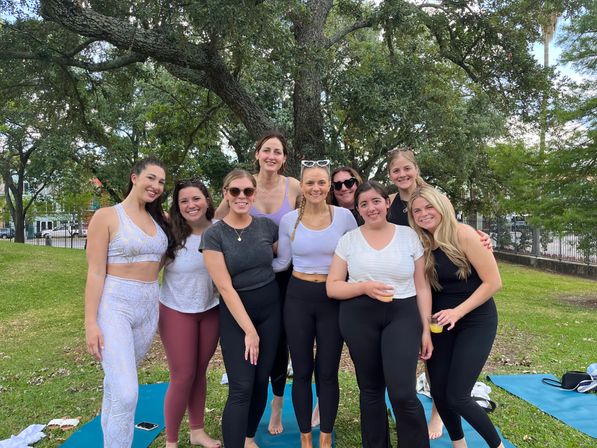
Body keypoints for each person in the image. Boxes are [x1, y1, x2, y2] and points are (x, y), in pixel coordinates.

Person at [327, 180, 432, 448]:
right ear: (358, 210)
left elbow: (422, 286)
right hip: (359, 316)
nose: (371, 208)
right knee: (371, 391)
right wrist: (363, 286)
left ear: (387, 203)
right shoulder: (348, 240)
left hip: (402, 314)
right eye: (364, 204)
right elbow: (333, 287)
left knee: (402, 393)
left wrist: (425, 329)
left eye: (376, 201)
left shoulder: (409, 235)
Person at [215, 131, 301, 436]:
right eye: (267, 150)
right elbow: (217, 224)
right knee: (247, 366)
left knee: (278, 350)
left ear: (284, 158)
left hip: (283, 278)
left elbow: (312, 218)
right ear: (257, 153)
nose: (272, 157)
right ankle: (244, 421)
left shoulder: (294, 186)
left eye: (278, 152)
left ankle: (275, 409)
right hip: (245, 278)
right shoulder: (242, 184)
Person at [409, 186, 504, 448]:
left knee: (458, 395)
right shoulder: (421, 242)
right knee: (439, 391)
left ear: (441, 206)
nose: (424, 214)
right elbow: (424, 288)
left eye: (429, 207)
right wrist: (426, 330)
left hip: (475, 319)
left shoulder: (463, 234)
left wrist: (458, 311)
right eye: (417, 210)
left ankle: (498, 446)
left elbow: (494, 282)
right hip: (441, 323)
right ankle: (458, 443)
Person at [84, 156, 169, 448]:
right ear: (134, 177)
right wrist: (90, 322)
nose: (156, 186)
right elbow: (95, 273)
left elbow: (168, 253)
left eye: (161, 182)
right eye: (151, 178)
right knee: (127, 393)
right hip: (115, 304)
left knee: (115, 387)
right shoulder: (107, 216)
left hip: (148, 305)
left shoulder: (161, 220)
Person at [273, 159, 357, 448]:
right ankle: (305, 437)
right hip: (297, 297)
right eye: (310, 182)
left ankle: (325, 436)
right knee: (302, 372)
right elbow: (282, 262)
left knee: (328, 371)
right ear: (302, 186)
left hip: (332, 299)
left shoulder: (345, 218)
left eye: (322, 182)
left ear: (329, 187)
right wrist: (243, 263)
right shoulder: (289, 220)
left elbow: (357, 258)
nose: (316, 187)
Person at [201, 169, 280, 448]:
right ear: (225, 194)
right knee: (241, 387)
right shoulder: (214, 235)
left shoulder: (267, 227)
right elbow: (224, 287)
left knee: (260, 382)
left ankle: (248, 438)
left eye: (247, 191)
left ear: (254, 195)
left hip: (271, 312)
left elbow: (282, 260)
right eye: (235, 191)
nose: (241, 196)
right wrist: (249, 330)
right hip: (237, 316)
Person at [159, 178, 221, 448]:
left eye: (196, 198)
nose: (190, 205)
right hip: (176, 310)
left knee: (199, 370)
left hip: (210, 310)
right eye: (183, 201)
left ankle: (197, 431)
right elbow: (148, 272)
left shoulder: (220, 230)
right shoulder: (170, 234)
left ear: (207, 200)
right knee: (183, 375)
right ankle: (171, 441)